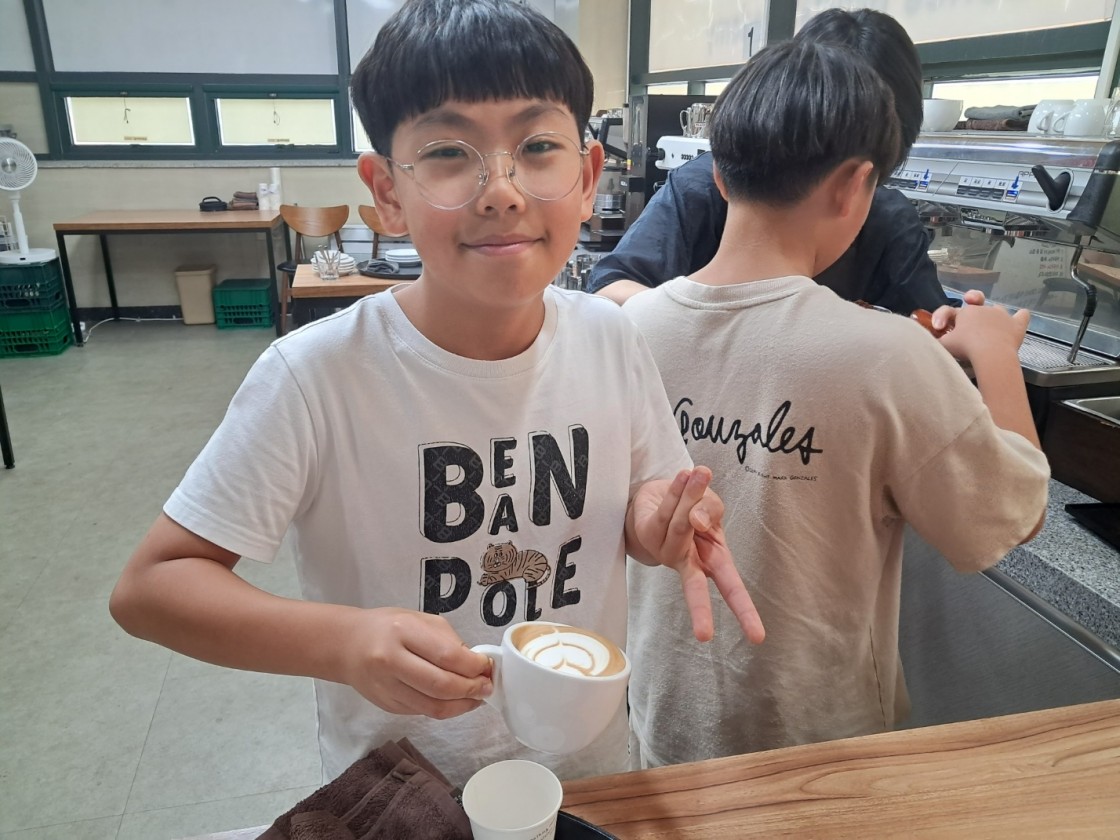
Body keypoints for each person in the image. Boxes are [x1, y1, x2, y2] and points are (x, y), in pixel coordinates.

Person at [108, 0, 763, 787]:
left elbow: (637, 514)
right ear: (387, 192)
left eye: (538, 146)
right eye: (449, 152)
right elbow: (151, 588)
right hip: (404, 793)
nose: (502, 191)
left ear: (588, 177)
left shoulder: (610, 339)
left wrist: (656, 525)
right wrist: (343, 642)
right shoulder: (315, 376)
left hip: (587, 772)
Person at [622, 37, 1050, 768]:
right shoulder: (887, 354)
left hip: (661, 725)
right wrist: (994, 353)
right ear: (856, 186)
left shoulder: (631, 326)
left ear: (719, 176)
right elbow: (1012, 513)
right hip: (820, 755)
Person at [589, 8, 979, 330]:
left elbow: (931, 325)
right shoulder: (700, 187)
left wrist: (963, 332)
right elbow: (609, 288)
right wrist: (717, 326)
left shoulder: (889, 219)